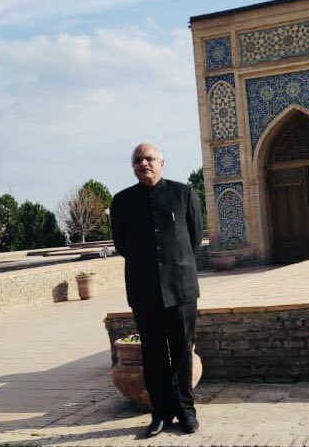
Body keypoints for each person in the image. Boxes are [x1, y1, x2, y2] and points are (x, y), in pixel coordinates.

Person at [110, 143, 203, 436]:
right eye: (137, 160)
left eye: (149, 158)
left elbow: (195, 237)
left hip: (181, 288)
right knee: (153, 354)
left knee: (182, 351)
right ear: (133, 167)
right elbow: (122, 244)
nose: (143, 163)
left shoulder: (183, 193)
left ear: (162, 162)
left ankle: (185, 411)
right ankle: (160, 413)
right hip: (144, 289)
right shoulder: (122, 201)